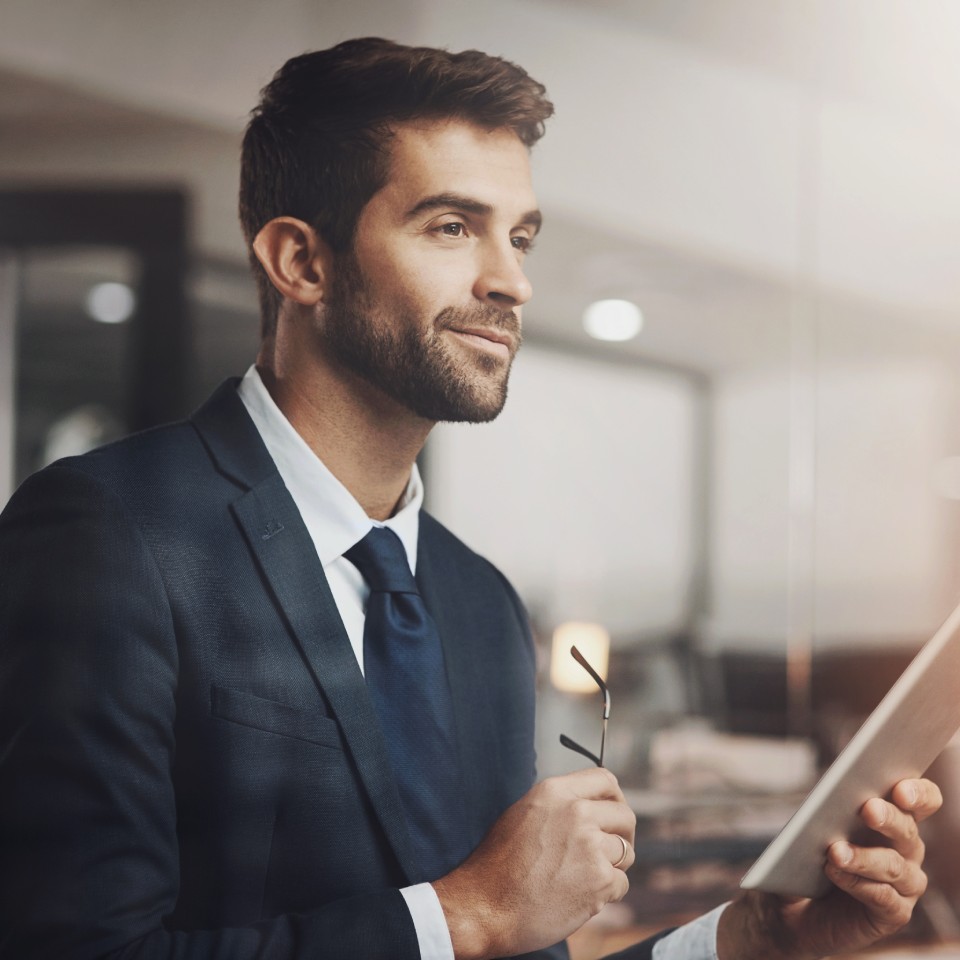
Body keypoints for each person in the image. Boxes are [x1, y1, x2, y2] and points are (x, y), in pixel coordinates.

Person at [0, 37, 942, 960]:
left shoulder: (480, 604)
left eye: (519, 236)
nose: (513, 281)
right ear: (302, 262)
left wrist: (752, 939)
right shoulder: (108, 535)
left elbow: (510, 942)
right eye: (453, 227)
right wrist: (466, 917)